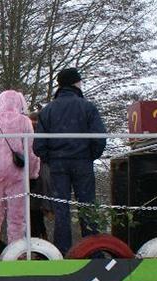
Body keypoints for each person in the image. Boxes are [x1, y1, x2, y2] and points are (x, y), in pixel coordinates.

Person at [34, 68, 106, 254]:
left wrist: (50, 158)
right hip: (82, 162)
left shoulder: (48, 111)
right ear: (76, 83)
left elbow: (39, 144)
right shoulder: (88, 107)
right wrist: (90, 155)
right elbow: (99, 138)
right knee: (87, 207)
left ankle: (62, 251)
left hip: (58, 164)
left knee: (61, 209)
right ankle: (92, 251)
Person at [0, 90, 40, 252]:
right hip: (17, 174)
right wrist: (32, 173)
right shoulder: (25, 122)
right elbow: (31, 151)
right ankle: (16, 253)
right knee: (17, 217)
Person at [28, 111, 53, 240]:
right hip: (42, 177)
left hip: (35, 177)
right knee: (35, 213)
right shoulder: (46, 134)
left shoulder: (29, 134)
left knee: (33, 212)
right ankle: (41, 236)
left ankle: (38, 237)